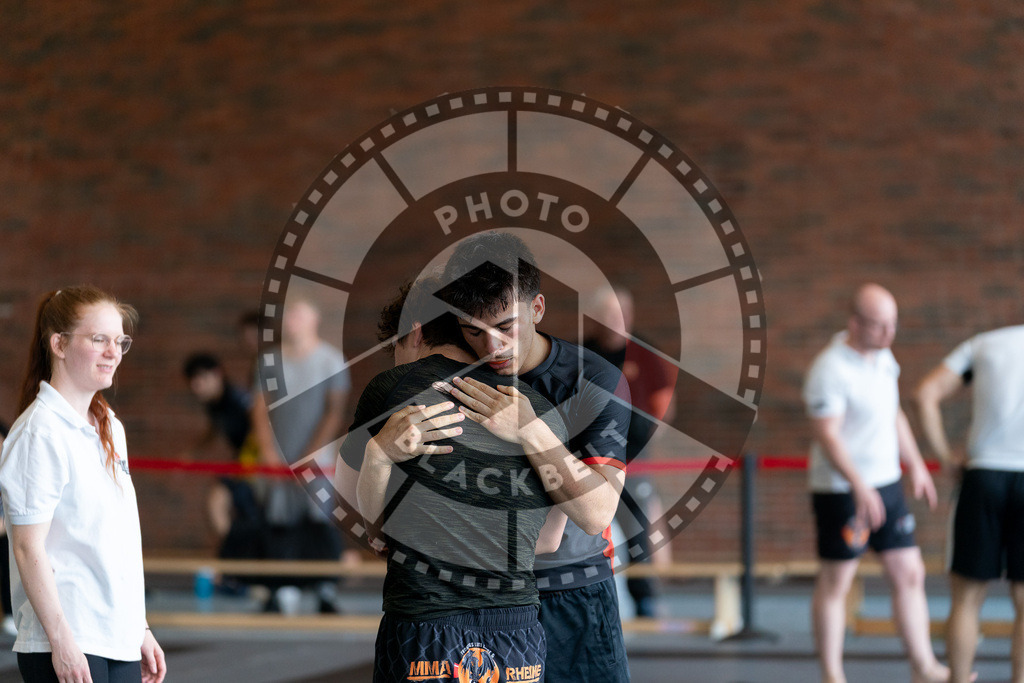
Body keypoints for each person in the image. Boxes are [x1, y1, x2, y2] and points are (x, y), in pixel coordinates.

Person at [338, 277, 568, 682]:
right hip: (518, 630)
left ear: (414, 333)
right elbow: (548, 541)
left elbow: (359, 521)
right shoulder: (540, 409)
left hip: (424, 623)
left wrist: (379, 458)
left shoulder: (392, 389)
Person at [436, 232, 631, 682]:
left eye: (506, 327)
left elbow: (594, 511)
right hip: (474, 594)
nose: (492, 348)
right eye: (473, 331)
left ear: (537, 309)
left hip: (571, 592)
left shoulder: (592, 380)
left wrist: (528, 429)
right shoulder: (450, 373)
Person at [0, 286, 166, 683]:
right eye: (98, 340)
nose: (114, 352)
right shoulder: (39, 432)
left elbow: (114, 541)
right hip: (69, 641)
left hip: (116, 636)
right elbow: (27, 546)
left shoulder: (109, 425)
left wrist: (137, 627)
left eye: (120, 341)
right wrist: (62, 643)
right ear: (59, 343)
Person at [803, 283, 947, 683]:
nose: (889, 334)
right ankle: (833, 675)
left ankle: (925, 667)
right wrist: (859, 486)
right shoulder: (829, 369)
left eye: (893, 325)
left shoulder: (884, 358)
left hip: (887, 483)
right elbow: (827, 436)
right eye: (880, 326)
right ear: (855, 323)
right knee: (838, 581)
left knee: (910, 572)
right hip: (842, 489)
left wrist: (916, 463)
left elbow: (894, 411)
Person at [915, 323, 1024, 683]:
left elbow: (925, 393)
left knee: (966, 598)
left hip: (983, 477)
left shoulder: (984, 344)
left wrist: (945, 456)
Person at [251, 295, 352, 613]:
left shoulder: (330, 360)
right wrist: (267, 449)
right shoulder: (268, 361)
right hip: (278, 457)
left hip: (316, 459)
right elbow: (259, 407)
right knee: (278, 521)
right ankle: (279, 587)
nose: (290, 320)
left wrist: (312, 454)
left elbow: (335, 412)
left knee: (319, 522)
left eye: (298, 314)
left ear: (314, 320)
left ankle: (325, 588)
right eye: (288, 315)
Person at [583, 286, 676, 618]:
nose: (616, 321)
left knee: (640, 529)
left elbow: (665, 404)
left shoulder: (645, 353)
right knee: (588, 526)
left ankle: (646, 600)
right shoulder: (582, 354)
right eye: (609, 314)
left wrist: (647, 443)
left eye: (621, 313)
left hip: (635, 459)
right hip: (591, 457)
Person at [181, 353, 263, 580]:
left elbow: (260, 426)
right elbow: (214, 430)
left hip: (258, 467)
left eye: (202, 379)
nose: (197, 387)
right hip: (244, 466)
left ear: (217, 374)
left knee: (226, 504)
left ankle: (239, 565)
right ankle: (236, 563)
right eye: (193, 382)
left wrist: (250, 461)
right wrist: (193, 452)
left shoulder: (237, 398)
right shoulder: (215, 404)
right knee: (222, 506)